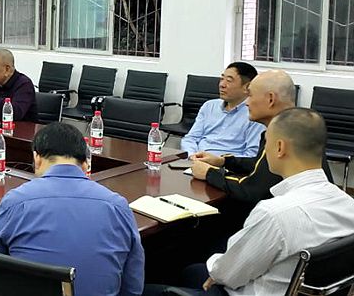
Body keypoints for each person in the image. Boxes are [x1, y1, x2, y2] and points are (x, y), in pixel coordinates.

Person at [146, 108, 354, 296]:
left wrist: (216, 271)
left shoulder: (275, 214)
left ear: (279, 147)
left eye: (266, 143)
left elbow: (228, 274)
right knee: (191, 271)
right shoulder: (347, 204)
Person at [0, 122, 144, 296]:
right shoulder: (118, 206)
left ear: (37, 158)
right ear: (85, 163)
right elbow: (133, 287)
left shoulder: (14, 202)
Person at [190, 70, 333, 207]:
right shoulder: (297, 126)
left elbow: (251, 190)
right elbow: (261, 165)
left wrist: (209, 173)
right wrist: (224, 161)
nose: (247, 103)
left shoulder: (284, 136)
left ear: (270, 99)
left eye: (250, 96)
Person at [180, 62, 265, 157]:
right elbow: (191, 138)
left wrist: (220, 161)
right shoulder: (209, 106)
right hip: (196, 160)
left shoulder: (256, 114)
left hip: (227, 164)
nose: (222, 85)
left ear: (247, 87)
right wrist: (192, 155)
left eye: (229, 80)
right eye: (222, 79)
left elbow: (251, 154)